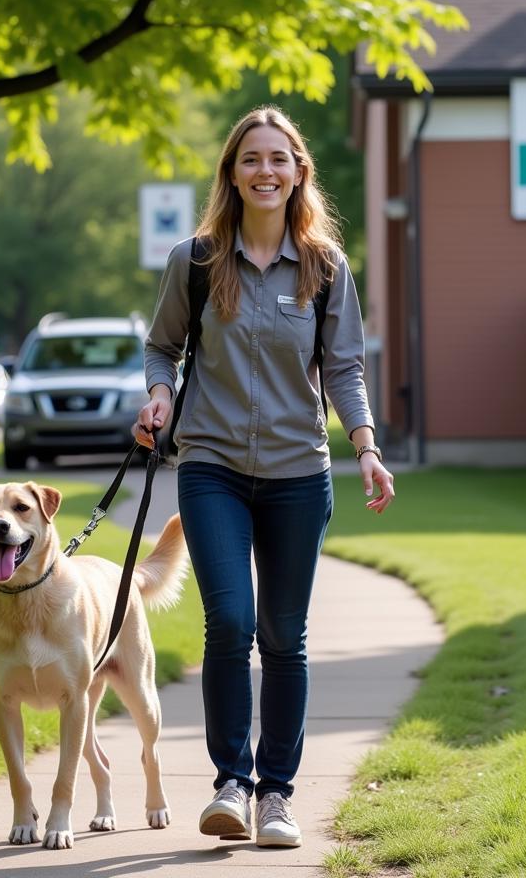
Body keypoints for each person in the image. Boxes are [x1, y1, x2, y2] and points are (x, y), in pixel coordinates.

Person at [135, 105, 395, 850]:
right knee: (232, 623)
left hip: (296, 473)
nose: (265, 171)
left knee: (284, 635)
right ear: (232, 172)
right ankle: (230, 782)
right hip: (211, 465)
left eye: (279, 158)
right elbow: (163, 348)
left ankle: (277, 794)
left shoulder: (325, 266)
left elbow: (344, 367)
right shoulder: (196, 259)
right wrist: (158, 393)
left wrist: (367, 448)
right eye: (251, 158)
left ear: (299, 171)